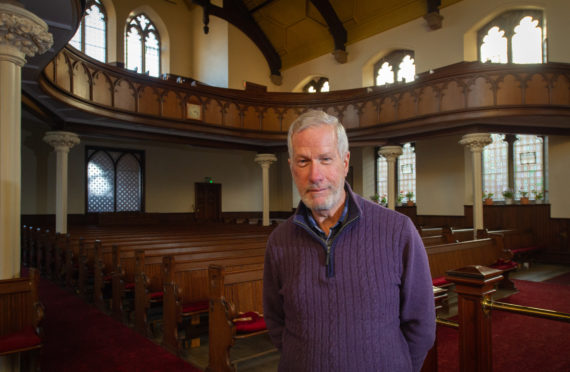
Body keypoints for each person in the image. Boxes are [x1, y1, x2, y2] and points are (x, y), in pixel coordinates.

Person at [262, 110, 436, 371]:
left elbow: (421, 323)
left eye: (325, 159)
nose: (315, 175)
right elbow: (276, 321)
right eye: (303, 161)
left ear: (344, 163)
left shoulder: (398, 230)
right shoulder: (279, 241)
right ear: (291, 167)